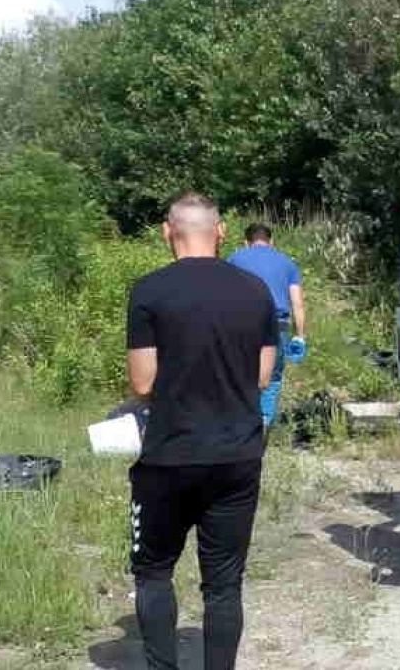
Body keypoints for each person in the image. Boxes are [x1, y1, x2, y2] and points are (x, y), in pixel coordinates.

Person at [126, 191, 278, 670]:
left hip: (168, 457)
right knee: (223, 583)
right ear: (221, 231)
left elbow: (143, 382)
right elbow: (260, 376)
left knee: (152, 572)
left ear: (167, 231)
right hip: (236, 456)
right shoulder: (255, 290)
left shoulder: (149, 291)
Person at [226, 222, 306, 427]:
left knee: (240, 373)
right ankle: (263, 424)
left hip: (241, 324)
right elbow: (297, 303)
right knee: (272, 378)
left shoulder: (234, 258)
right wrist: (300, 335)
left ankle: (239, 421)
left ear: (246, 242)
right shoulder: (287, 263)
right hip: (276, 325)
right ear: (272, 241)